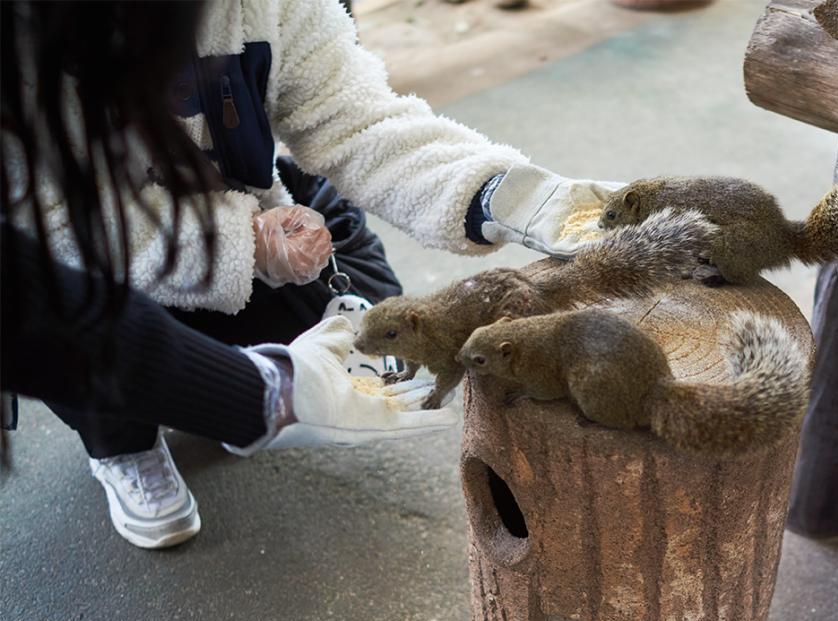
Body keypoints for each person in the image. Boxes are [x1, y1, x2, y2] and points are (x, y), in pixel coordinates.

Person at [1, 0, 615, 548]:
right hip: (100, 252)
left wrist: (499, 194)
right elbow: (50, 230)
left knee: (369, 319)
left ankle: (243, 370)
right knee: (77, 320)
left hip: (246, 198)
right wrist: (242, 254)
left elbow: (357, 118)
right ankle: (122, 445)